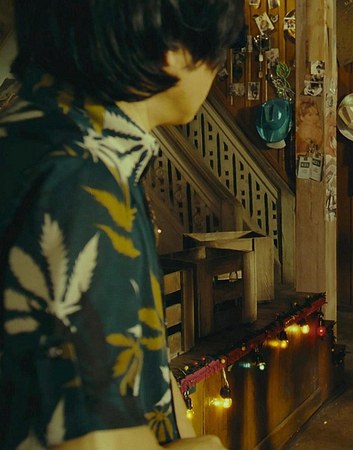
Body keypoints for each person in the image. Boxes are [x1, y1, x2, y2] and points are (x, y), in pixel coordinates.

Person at [0, 1, 243, 449]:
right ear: (173, 46)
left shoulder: (38, 137)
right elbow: (91, 439)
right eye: (220, 50)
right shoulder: (82, 178)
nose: (217, 69)